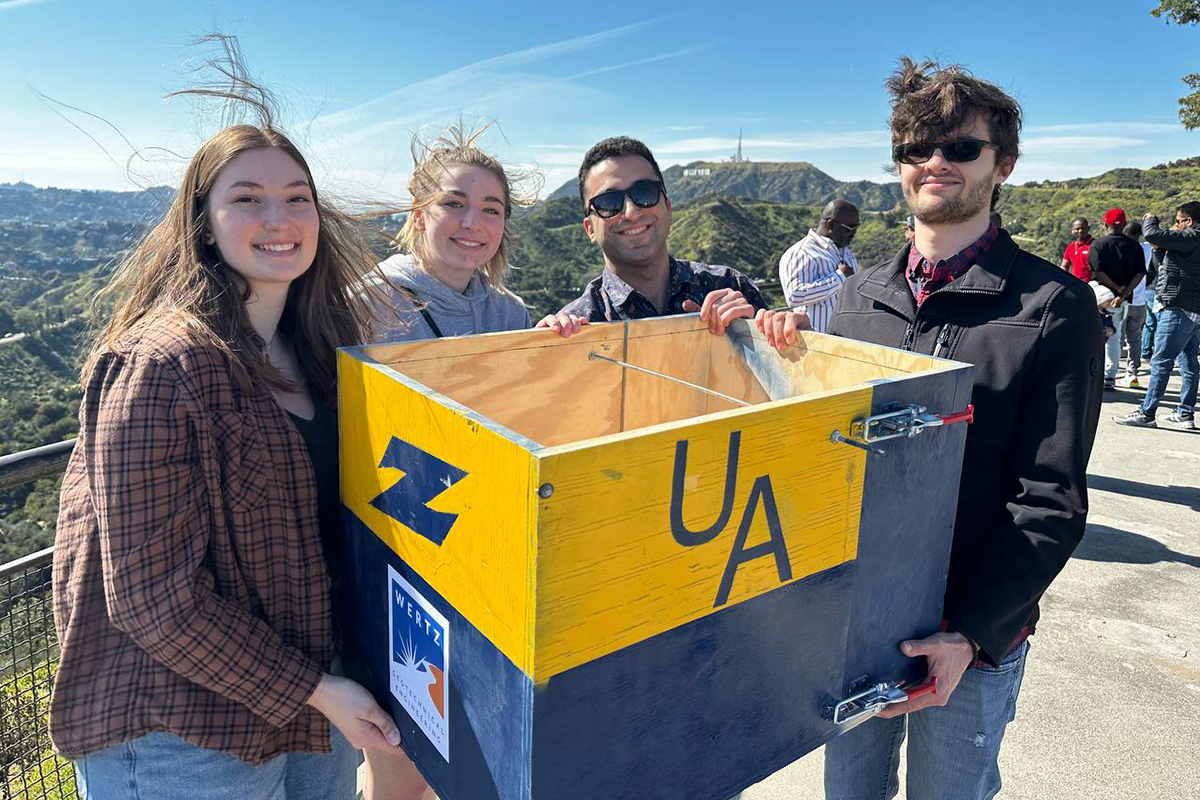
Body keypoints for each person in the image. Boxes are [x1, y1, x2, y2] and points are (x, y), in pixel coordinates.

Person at [49, 65, 404, 799]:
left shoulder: (319, 353)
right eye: (248, 199)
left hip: (309, 706)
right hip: (180, 730)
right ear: (203, 222)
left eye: (296, 198)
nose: (279, 218)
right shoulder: (161, 365)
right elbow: (151, 600)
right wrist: (317, 687)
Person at [803, 58, 1102, 800]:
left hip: (973, 636)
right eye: (916, 149)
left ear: (1002, 164)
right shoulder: (856, 300)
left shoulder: (1052, 307)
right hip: (858, 625)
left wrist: (970, 632)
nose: (935, 163)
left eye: (960, 148)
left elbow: (1051, 498)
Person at [538, 136, 808, 347]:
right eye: (609, 203)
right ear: (590, 229)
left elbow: (788, 384)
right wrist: (536, 355)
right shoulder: (577, 328)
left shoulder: (730, 288)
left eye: (645, 192)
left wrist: (794, 337)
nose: (631, 211)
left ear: (668, 207)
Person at [1114, 202, 1200, 430]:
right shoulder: (1190, 242)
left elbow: (1151, 231)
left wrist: (1150, 218)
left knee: (1161, 360)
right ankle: (1185, 414)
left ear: (1189, 221)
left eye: (1179, 221)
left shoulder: (1193, 235)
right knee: (1188, 361)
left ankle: (1147, 412)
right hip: (1189, 308)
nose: (1176, 225)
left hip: (1179, 307)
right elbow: (1163, 264)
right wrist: (1157, 248)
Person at [776, 199, 860, 332]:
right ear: (831, 224)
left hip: (846, 341)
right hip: (816, 343)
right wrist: (839, 277)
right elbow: (794, 296)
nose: (854, 234)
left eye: (856, 228)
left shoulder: (846, 252)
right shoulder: (801, 253)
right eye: (850, 229)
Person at [1088, 208, 1146, 391]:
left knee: (1091, 335)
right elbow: (1139, 273)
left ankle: (1090, 373)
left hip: (1101, 298)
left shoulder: (1098, 244)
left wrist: (1117, 289)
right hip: (1121, 302)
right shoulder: (1135, 246)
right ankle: (1109, 377)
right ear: (1124, 225)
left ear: (1106, 224)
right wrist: (1124, 292)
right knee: (1115, 337)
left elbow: (1097, 272)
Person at [1121, 221, 1151, 387]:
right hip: (1139, 301)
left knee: (1117, 337)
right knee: (1134, 338)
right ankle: (1132, 373)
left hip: (1123, 299)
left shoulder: (1123, 249)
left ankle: (1110, 373)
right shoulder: (1146, 248)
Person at [1060, 217, 1093, 281]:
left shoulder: (1095, 245)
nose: (1080, 231)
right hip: (1076, 285)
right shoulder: (1071, 247)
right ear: (1073, 231)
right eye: (1077, 229)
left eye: (1083, 228)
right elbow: (1064, 266)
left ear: (1088, 229)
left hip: (1092, 285)